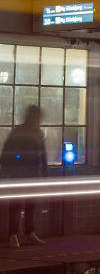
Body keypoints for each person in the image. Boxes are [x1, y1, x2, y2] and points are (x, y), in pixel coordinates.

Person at [0, 105, 48, 247]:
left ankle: (25, 234)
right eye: (38, 117)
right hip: (22, 174)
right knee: (18, 206)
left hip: (29, 174)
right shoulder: (26, 132)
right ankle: (16, 235)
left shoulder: (34, 132)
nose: (39, 120)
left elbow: (42, 154)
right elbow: (8, 153)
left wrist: (44, 171)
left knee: (28, 206)